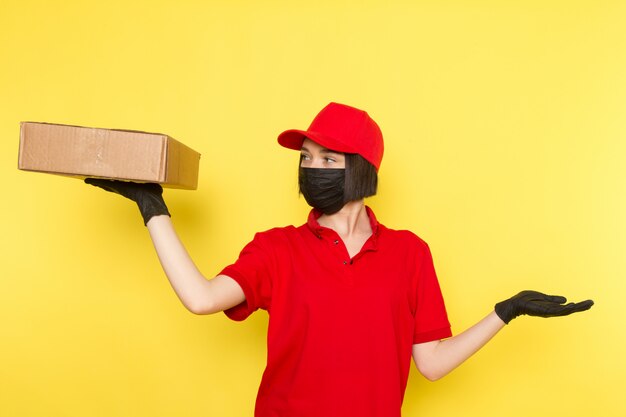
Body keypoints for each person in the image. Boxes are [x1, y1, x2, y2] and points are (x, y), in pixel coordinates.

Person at [86, 102, 593, 417]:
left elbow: (432, 365)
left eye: (329, 160)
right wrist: (153, 208)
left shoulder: (409, 254)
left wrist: (505, 312)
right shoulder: (277, 249)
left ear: (363, 172)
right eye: (306, 157)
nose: (312, 169)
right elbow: (200, 298)